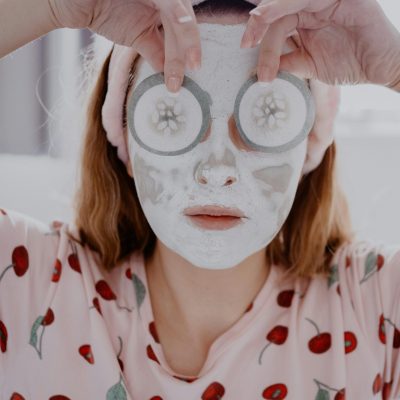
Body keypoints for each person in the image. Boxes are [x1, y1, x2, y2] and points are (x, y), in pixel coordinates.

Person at [0, 0, 399, 399]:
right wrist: (56, 5)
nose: (217, 168)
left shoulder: (377, 307)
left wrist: (393, 66)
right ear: (125, 141)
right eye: (170, 112)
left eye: (268, 112)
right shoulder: (28, 285)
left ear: (309, 144)